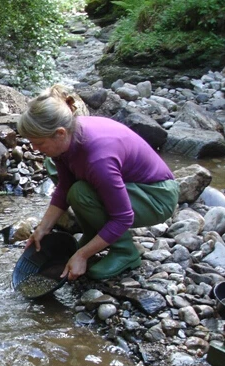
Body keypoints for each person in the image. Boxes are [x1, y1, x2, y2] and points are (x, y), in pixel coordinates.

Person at [17, 85, 179, 280]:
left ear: (59, 133)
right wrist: (42, 229)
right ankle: (94, 235)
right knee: (72, 187)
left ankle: (125, 252)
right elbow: (64, 187)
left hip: (156, 197)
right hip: (129, 185)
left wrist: (81, 255)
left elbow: (123, 217)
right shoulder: (67, 138)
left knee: (81, 193)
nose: (34, 148)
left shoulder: (98, 158)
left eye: (39, 143)